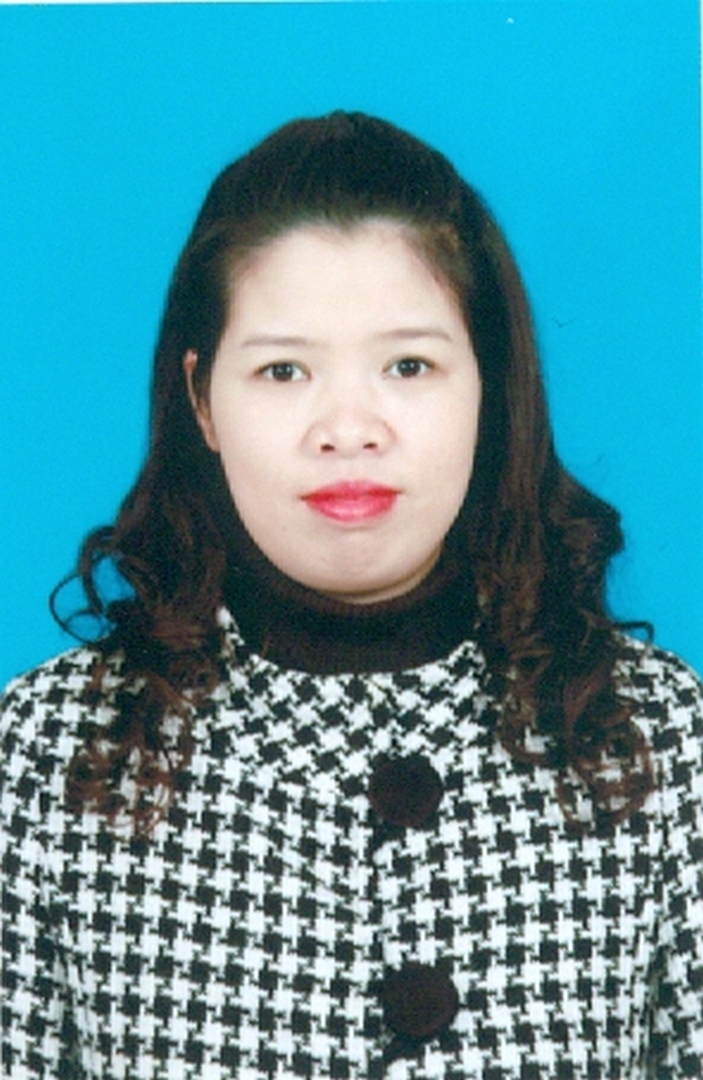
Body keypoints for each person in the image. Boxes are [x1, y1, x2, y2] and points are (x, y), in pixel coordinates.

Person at [1, 111, 701, 1080]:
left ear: (490, 387)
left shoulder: (653, 739)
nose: (347, 428)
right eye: (282, 370)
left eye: (408, 366)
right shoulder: (49, 754)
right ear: (202, 400)